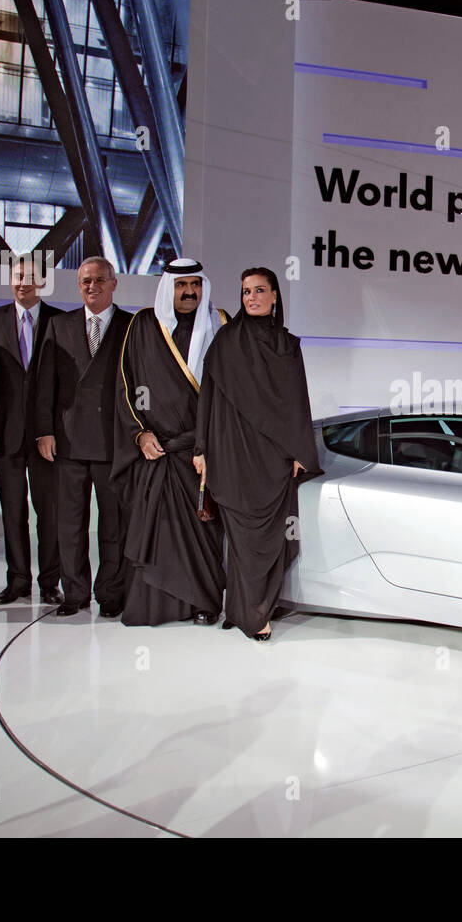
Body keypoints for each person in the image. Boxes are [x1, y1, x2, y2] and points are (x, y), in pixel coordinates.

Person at [194, 267, 319, 641]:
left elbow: (298, 402)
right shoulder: (225, 342)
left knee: (269, 539)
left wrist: (300, 451)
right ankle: (255, 616)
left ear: (275, 296)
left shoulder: (288, 344)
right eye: (246, 291)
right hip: (231, 452)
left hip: (273, 457)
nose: (251, 297)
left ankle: (240, 608)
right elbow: (208, 399)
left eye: (259, 290)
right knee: (243, 539)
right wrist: (201, 448)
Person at [114, 258, 227, 626]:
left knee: (204, 528)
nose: (189, 292)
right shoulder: (144, 324)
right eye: (181, 286)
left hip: (203, 451)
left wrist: (210, 444)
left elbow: (233, 392)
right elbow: (125, 387)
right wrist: (139, 433)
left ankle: (204, 602)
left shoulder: (221, 324)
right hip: (159, 452)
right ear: (169, 288)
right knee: (160, 529)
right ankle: (158, 606)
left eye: (195, 285)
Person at [34, 257, 134, 618]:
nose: (92, 287)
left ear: (113, 283)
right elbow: (44, 384)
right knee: (70, 523)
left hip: (114, 444)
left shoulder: (133, 326)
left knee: (114, 524)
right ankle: (74, 593)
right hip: (68, 443)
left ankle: (110, 592)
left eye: (98, 280)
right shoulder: (58, 325)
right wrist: (44, 431)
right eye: (85, 282)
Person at [0, 256, 63, 606]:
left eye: (30, 277)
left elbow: (64, 384)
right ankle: (17, 581)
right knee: (12, 512)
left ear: (42, 282)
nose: (23, 282)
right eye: (18, 276)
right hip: (6, 436)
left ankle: (49, 583)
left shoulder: (61, 320)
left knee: (50, 513)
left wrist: (54, 429)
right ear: (10, 280)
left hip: (47, 437)